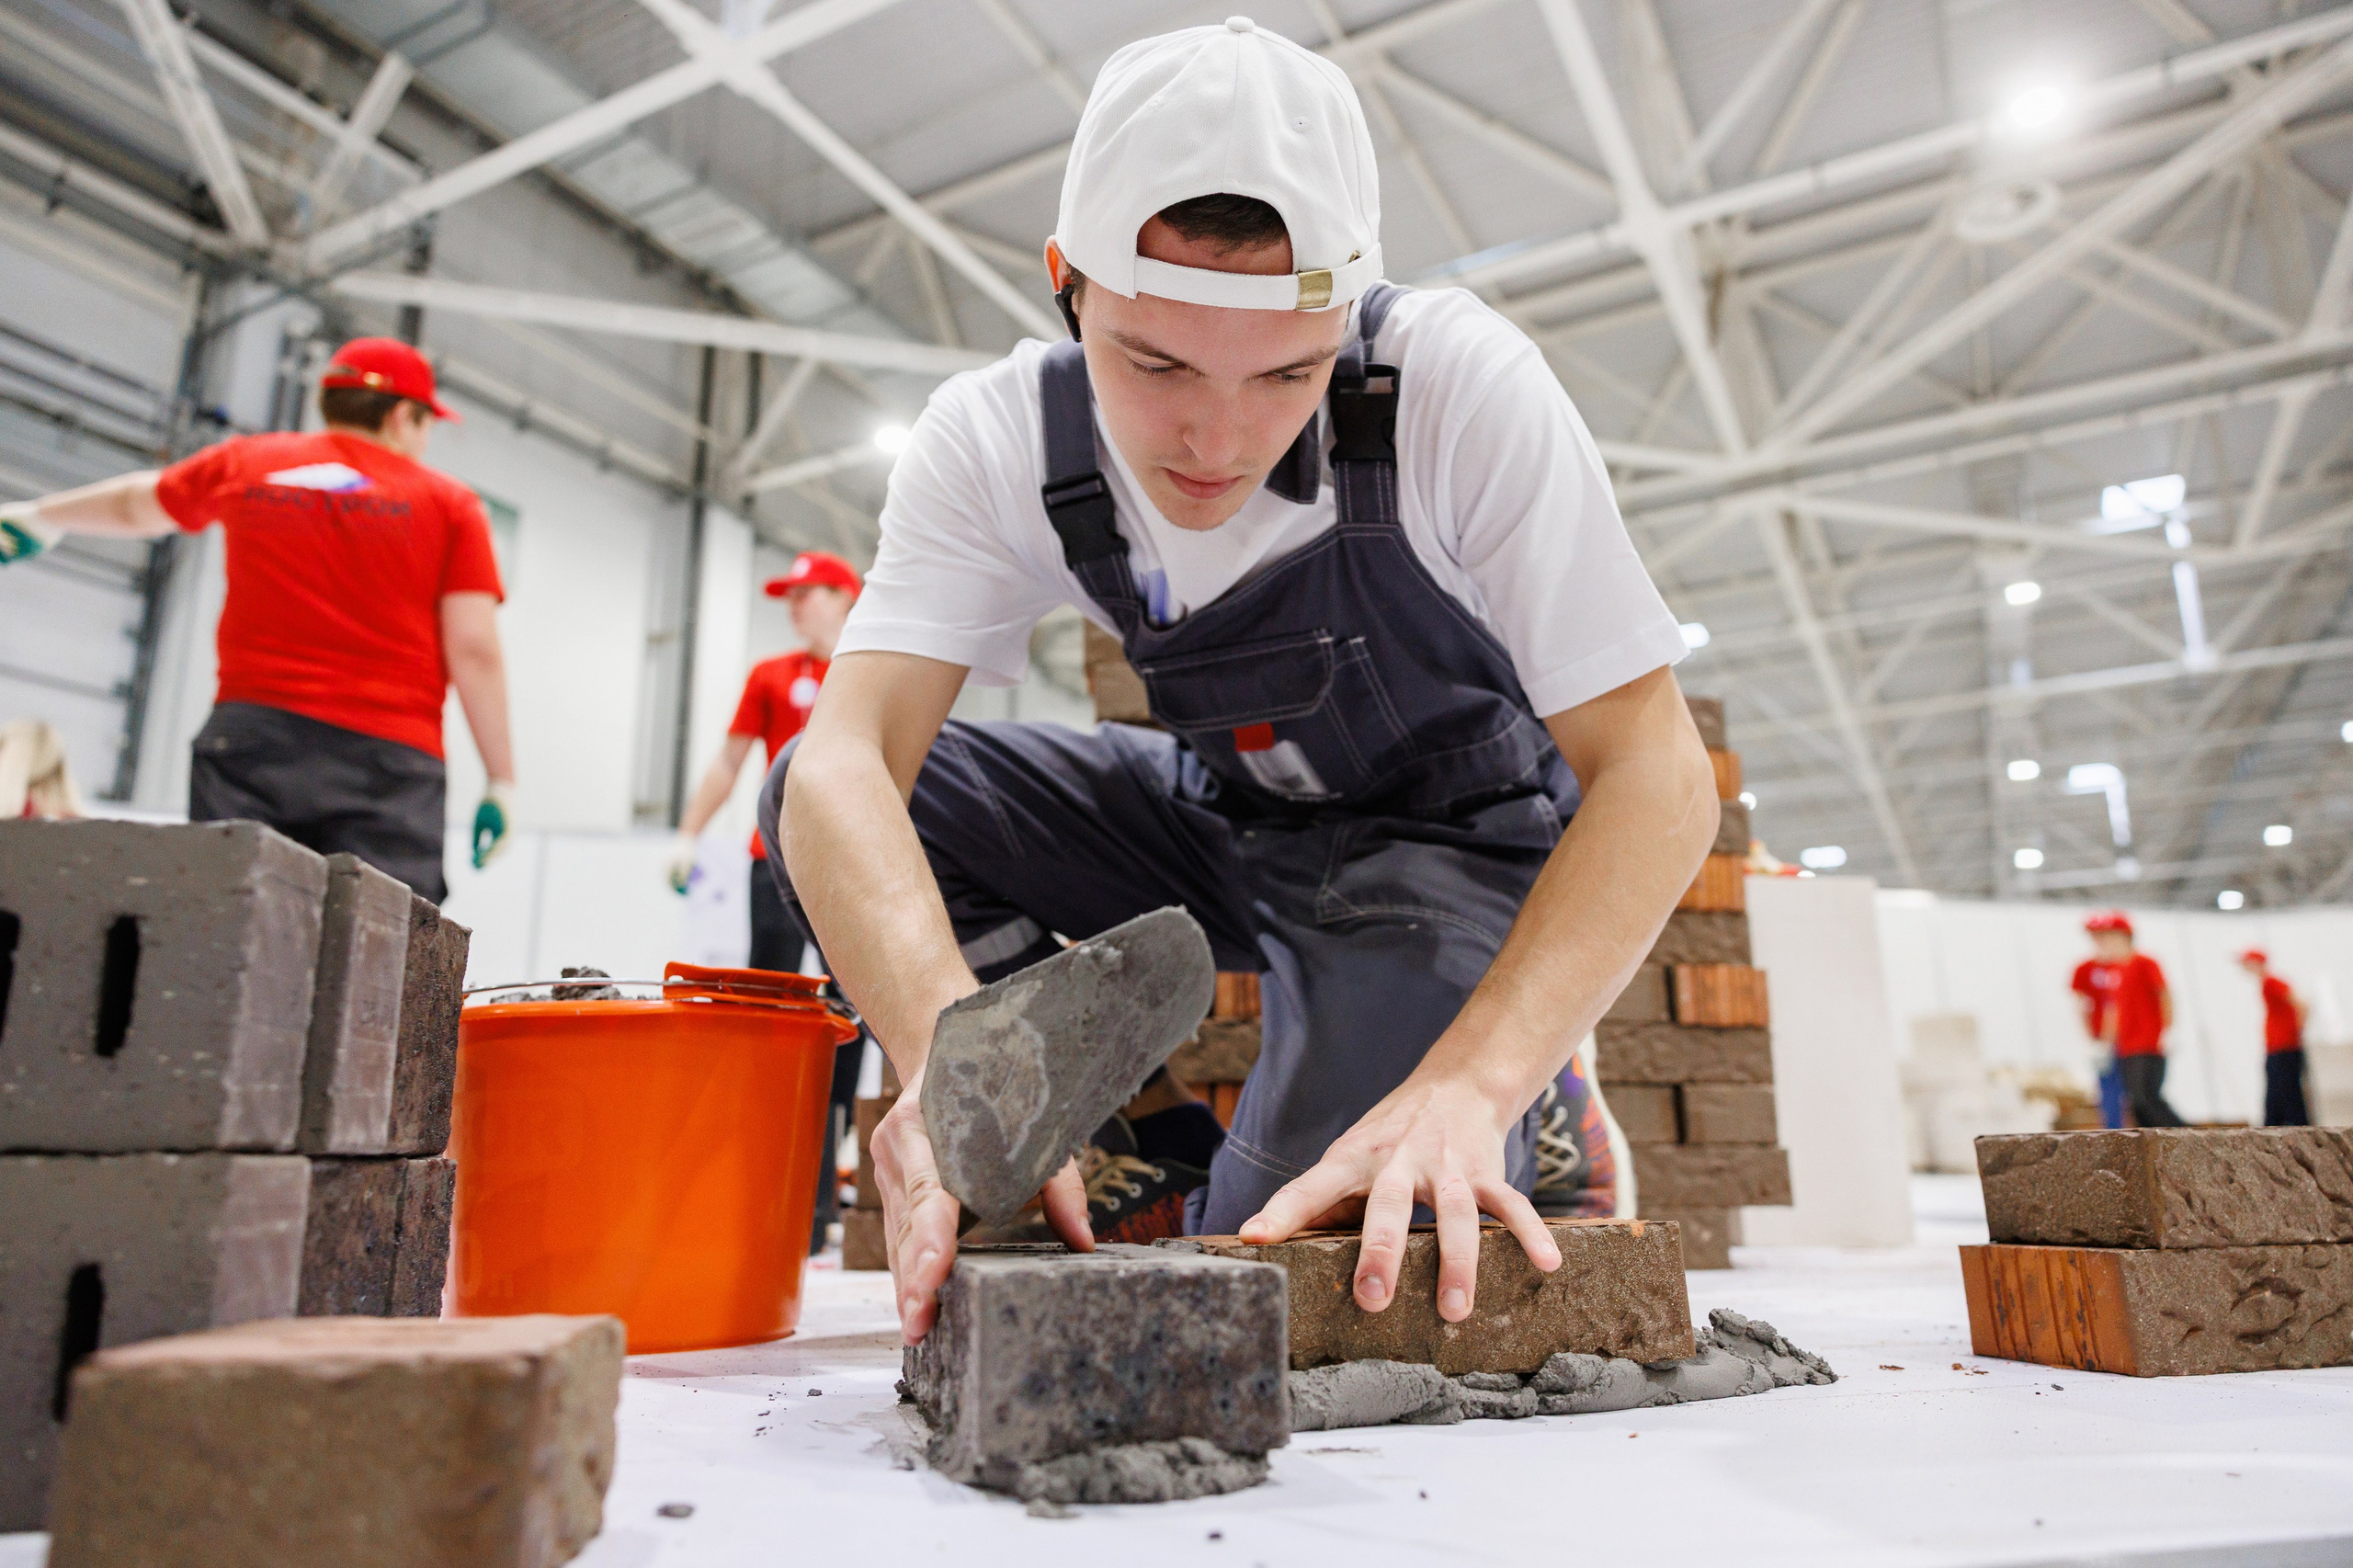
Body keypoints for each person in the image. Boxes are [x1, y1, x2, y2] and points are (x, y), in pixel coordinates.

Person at [762, 18, 1715, 1346]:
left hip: (1448, 851)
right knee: (817, 791)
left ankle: (1530, 1096)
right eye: (1155, 364)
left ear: (1348, 317)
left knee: (1286, 1252)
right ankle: (1134, 1151)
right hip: (1224, 822)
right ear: (1067, 284)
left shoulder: (1455, 391)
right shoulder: (995, 441)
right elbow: (845, 761)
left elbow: (1660, 777)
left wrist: (1472, 1079)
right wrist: (949, 1062)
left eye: (1286, 373)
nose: (1216, 438)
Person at [0, 339, 513, 903]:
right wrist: (501, 780)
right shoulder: (451, 505)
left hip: (250, 743)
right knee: (381, 940)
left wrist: (43, 515)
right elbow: (474, 649)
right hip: (386, 763)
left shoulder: (249, 462)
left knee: (233, 925)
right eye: (426, 424)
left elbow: (137, 505)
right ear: (401, 416)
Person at [669, 549, 864, 1247]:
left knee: (849, 1009)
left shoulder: (872, 668)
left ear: (844, 596)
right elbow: (730, 759)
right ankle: (764, 1171)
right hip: (775, 859)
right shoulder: (771, 675)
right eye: (790, 596)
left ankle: (826, 1177)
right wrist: (689, 833)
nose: (794, 606)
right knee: (773, 1010)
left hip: (854, 861)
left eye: (807, 593)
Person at [2071, 912, 2185, 1129]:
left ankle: (2184, 1135)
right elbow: (2112, 1010)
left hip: (2146, 1042)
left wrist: (2168, 1029)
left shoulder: (2144, 963)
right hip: (2125, 1045)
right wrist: (2103, 1042)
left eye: (2108, 936)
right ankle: (2153, 1139)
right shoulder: (2115, 970)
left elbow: (2164, 995)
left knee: (2145, 1097)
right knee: (2134, 1101)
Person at [2240, 949, 2310, 1127]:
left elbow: (2301, 1003)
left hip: (2284, 1046)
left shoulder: (2271, 982)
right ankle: (2274, 1124)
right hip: (2278, 1046)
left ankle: (2293, 1125)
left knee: (2286, 1090)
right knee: (2277, 1092)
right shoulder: (2267, 982)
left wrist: (2297, 1030)